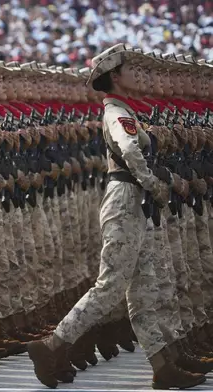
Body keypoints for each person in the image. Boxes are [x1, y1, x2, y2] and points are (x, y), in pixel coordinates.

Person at [26, 43, 206, 390]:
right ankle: (52, 345)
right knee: (111, 286)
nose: (139, 76)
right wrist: (154, 183)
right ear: (115, 77)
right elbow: (128, 149)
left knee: (147, 286)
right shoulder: (116, 112)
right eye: (132, 71)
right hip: (125, 198)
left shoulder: (129, 110)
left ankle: (163, 362)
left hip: (135, 200)